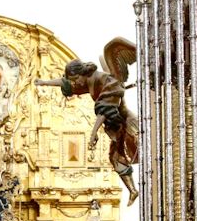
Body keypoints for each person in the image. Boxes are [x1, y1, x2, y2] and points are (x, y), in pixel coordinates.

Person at [39, 41, 140, 200]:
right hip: (117, 126)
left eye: (75, 79)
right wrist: (44, 82)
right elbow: (65, 83)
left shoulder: (106, 81)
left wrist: (93, 133)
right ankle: (133, 190)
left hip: (127, 123)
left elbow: (104, 111)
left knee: (140, 148)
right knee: (115, 158)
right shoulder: (87, 81)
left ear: (82, 74)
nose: (75, 83)